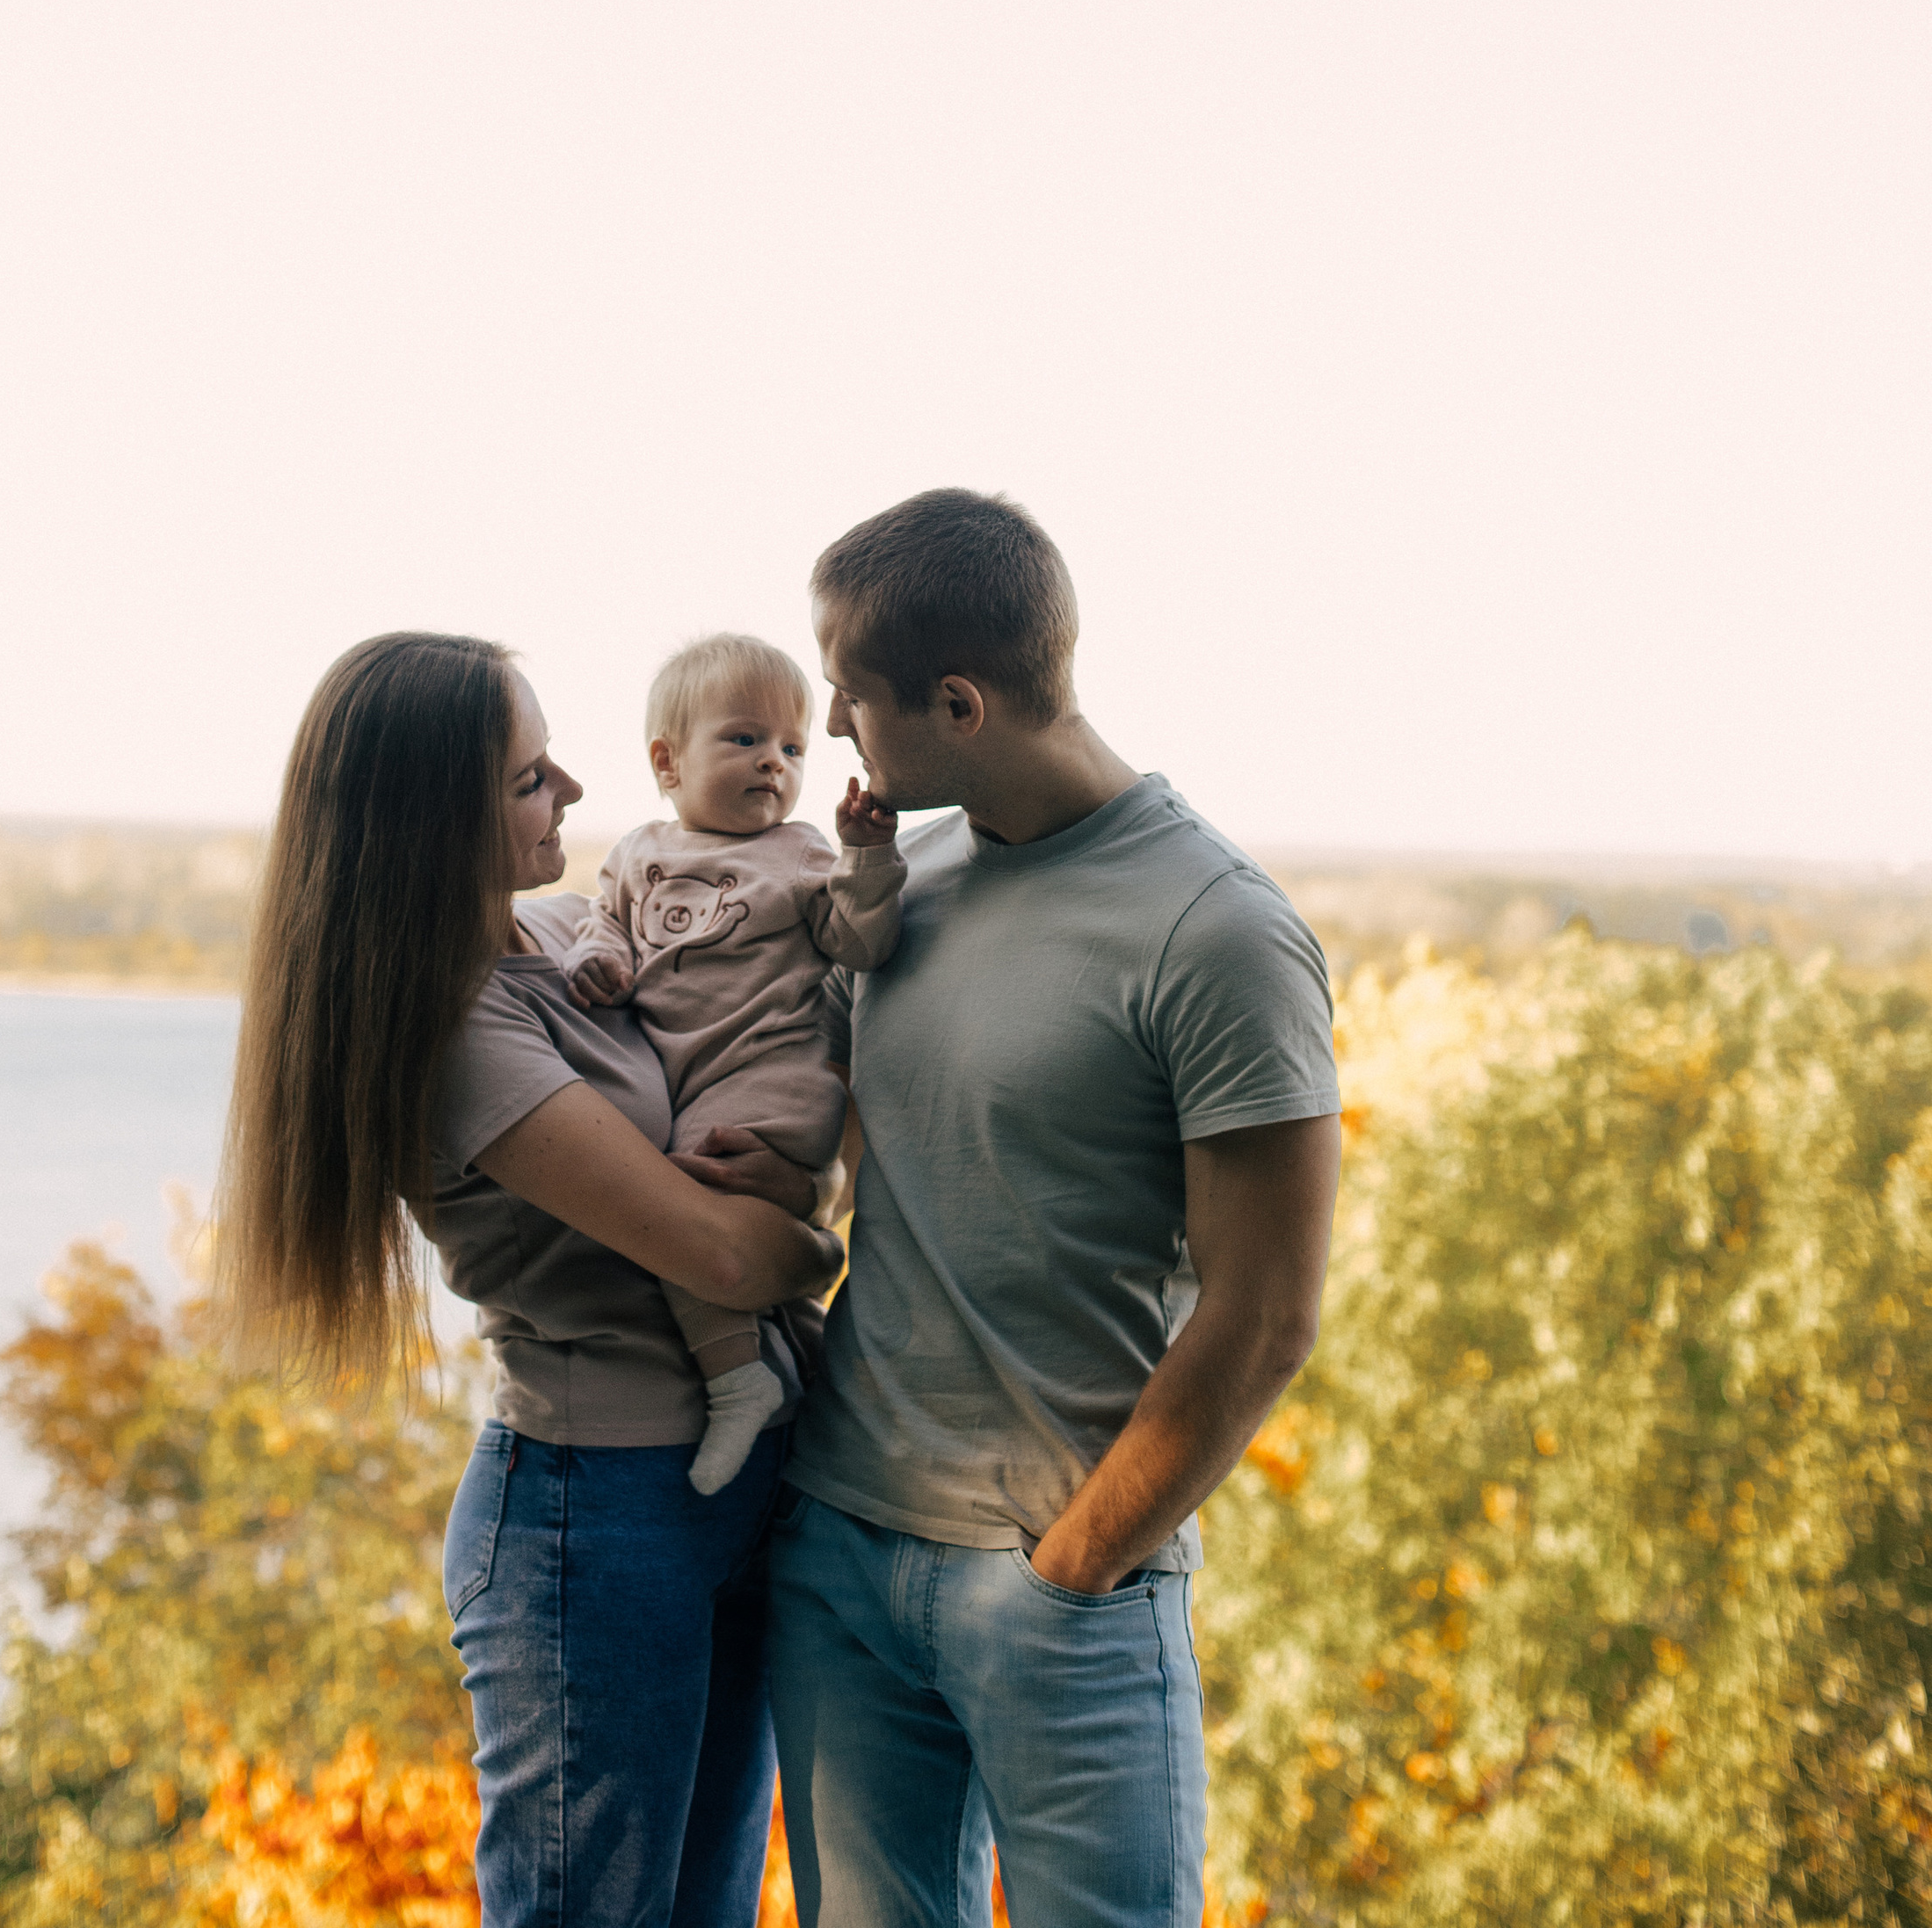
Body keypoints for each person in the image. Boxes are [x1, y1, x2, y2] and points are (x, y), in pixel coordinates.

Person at [769, 490, 1343, 1928]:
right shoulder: (904, 882)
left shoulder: (1216, 932)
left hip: (1064, 1593)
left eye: (849, 693)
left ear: (958, 703)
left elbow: (1267, 1310)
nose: (833, 724)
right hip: (839, 1559)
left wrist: (1076, 1567)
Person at [215, 630, 840, 1928]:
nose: (568, 793)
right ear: (435, 821)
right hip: (590, 1521)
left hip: (724, 1498)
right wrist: (820, 1239)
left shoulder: (564, 938)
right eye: (528, 778)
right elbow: (718, 1253)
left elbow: (747, 970)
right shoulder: (457, 1039)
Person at [564, 632, 907, 1493]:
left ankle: (733, 1382)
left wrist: (865, 858)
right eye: (745, 739)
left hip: (767, 1084)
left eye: (792, 748)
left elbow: (859, 943)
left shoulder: (799, 857)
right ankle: (813, 1374)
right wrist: (592, 960)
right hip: (688, 1080)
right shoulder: (637, 852)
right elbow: (602, 924)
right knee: (752, 1271)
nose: (775, 764)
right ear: (666, 760)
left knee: (681, 1211)